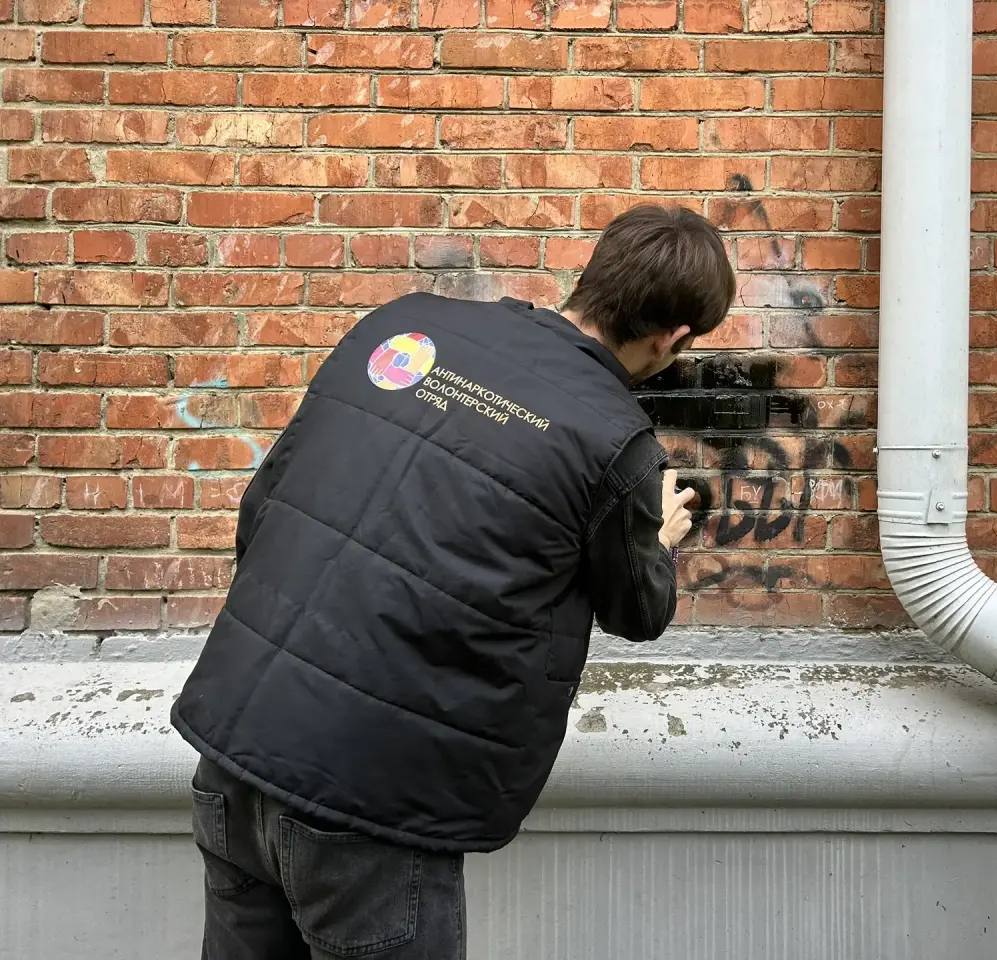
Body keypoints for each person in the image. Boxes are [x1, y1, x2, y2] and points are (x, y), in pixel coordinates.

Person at [171, 204, 736, 960]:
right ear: (672, 338)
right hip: (371, 805)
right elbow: (638, 608)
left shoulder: (405, 328)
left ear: (596, 273)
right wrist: (656, 540)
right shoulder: (613, 439)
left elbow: (263, 508)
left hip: (239, 745)